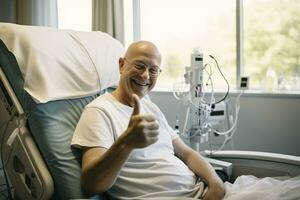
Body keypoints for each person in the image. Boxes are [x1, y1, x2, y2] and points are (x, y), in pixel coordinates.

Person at [71, 41, 225, 200]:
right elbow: (92, 185)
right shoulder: (99, 111)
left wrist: (215, 183)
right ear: (122, 65)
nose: (145, 75)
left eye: (153, 70)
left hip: (202, 191)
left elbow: (187, 153)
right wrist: (126, 142)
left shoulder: (151, 108)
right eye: (139, 66)